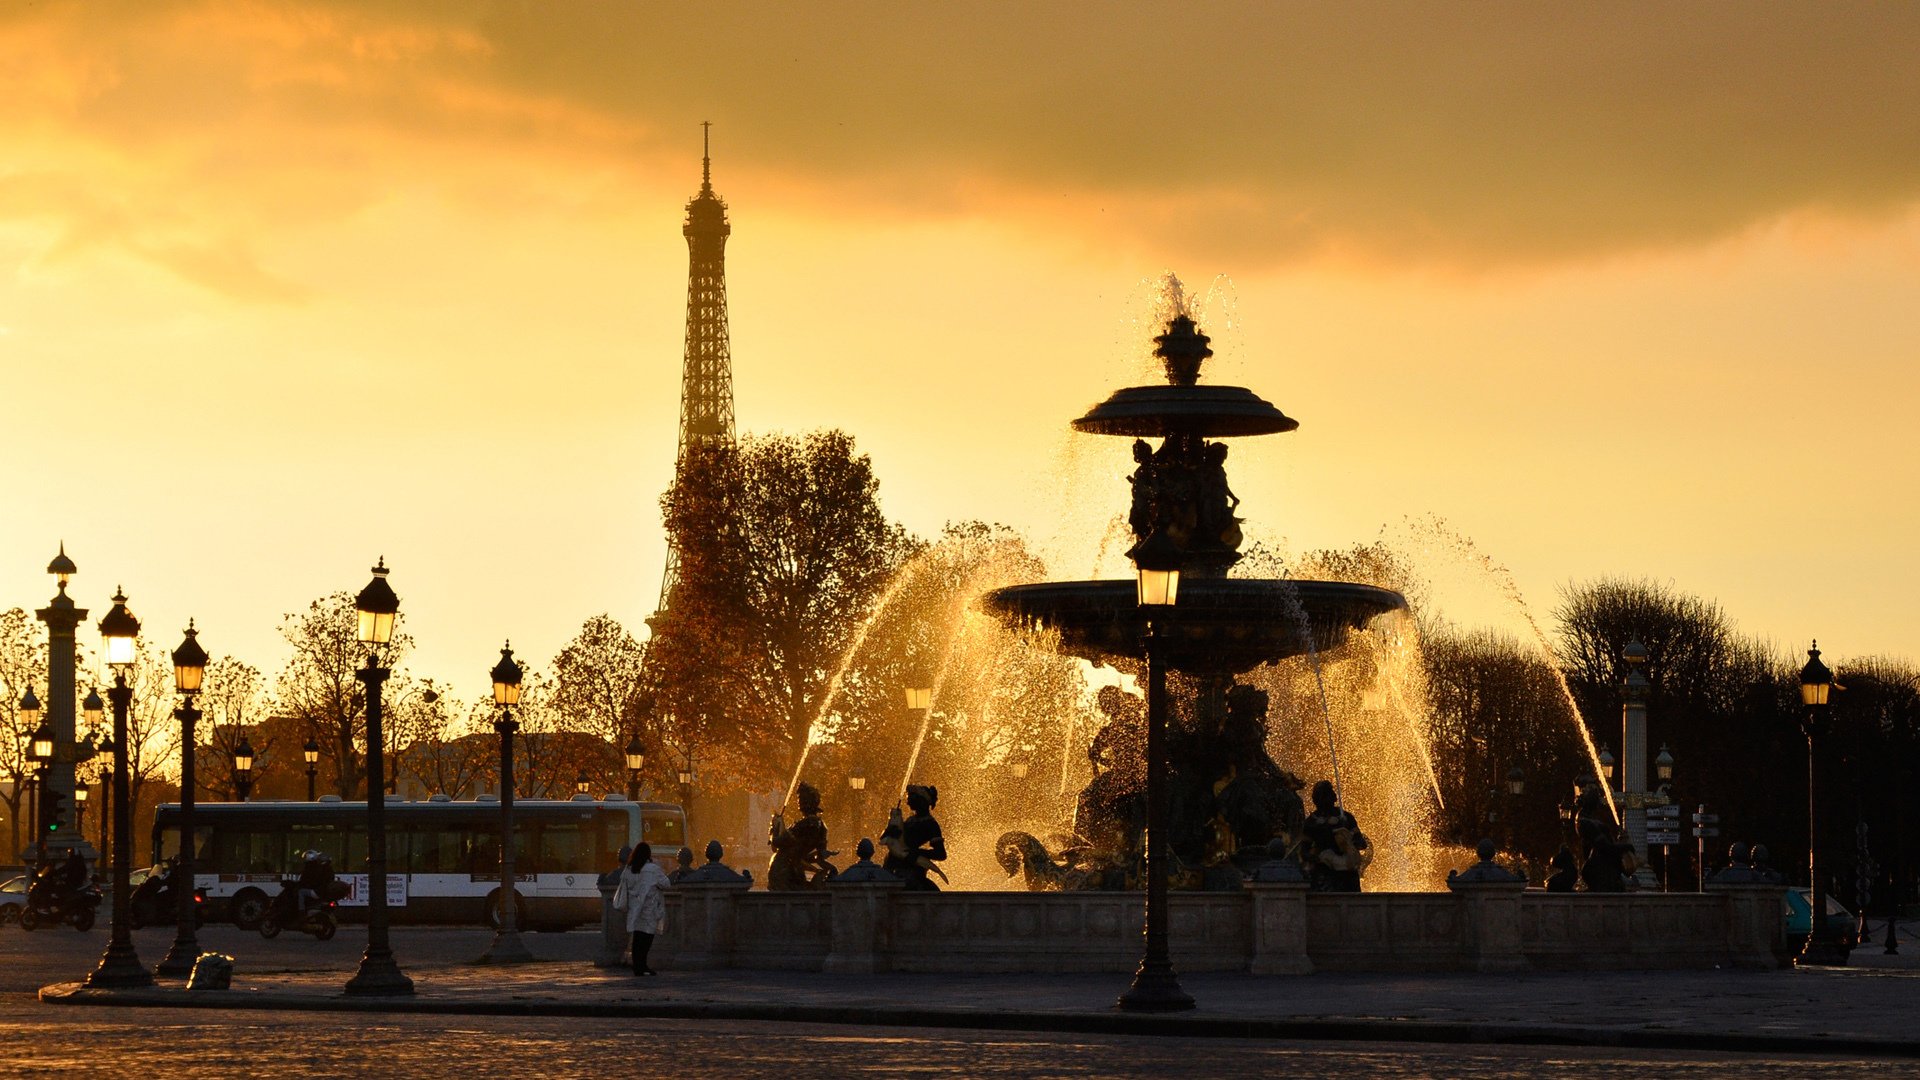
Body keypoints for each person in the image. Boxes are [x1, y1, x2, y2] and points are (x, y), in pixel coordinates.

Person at [613, 842, 670, 976]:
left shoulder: (629, 869)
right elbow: (666, 884)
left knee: (637, 938)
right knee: (647, 938)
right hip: (649, 908)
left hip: (634, 909)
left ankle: (637, 966)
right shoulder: (653, 869)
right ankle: (642, 965)